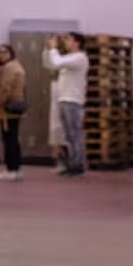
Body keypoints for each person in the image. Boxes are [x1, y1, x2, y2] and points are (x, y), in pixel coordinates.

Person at [44, 33, 91, 177]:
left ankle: (78, 164)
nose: (65, 42)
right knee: (69, 135)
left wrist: (53, 49)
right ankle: (72, 162)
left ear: (77, 43)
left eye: (69, 40)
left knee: (74, 134)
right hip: (64, 99)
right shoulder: (69, 58)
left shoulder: (79, 58)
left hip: (73, 100)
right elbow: (50, 64)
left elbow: (57, 62)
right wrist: (48, 50)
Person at [0, 43, 27, 180]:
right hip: (17, 106)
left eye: (4, 52)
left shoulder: (9, 68)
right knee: (13, 138)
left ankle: (11, 169)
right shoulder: (18, 66)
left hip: (8, 109)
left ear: (11, 53)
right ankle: (16, 168)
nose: (1, 55)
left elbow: (5, 89)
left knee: (9, 139)